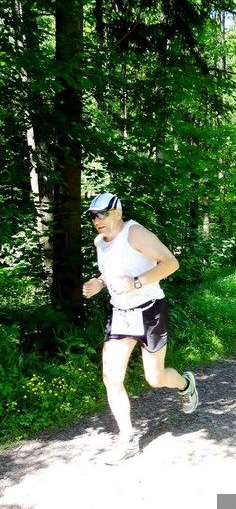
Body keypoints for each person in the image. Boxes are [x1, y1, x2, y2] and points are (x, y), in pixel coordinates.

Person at [82, 193, 199, 465]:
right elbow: (110, 271)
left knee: (155, 378)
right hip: (120, 314)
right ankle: (127, 441)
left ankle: (185, 385)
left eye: (102, 214)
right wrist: (99, 283)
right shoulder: (100, 242)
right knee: (111, 377)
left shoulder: (135, 233)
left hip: (149, 311)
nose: (97, 220)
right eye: (93, 216)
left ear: (118, 212)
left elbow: (171, 263)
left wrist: (136, 282)